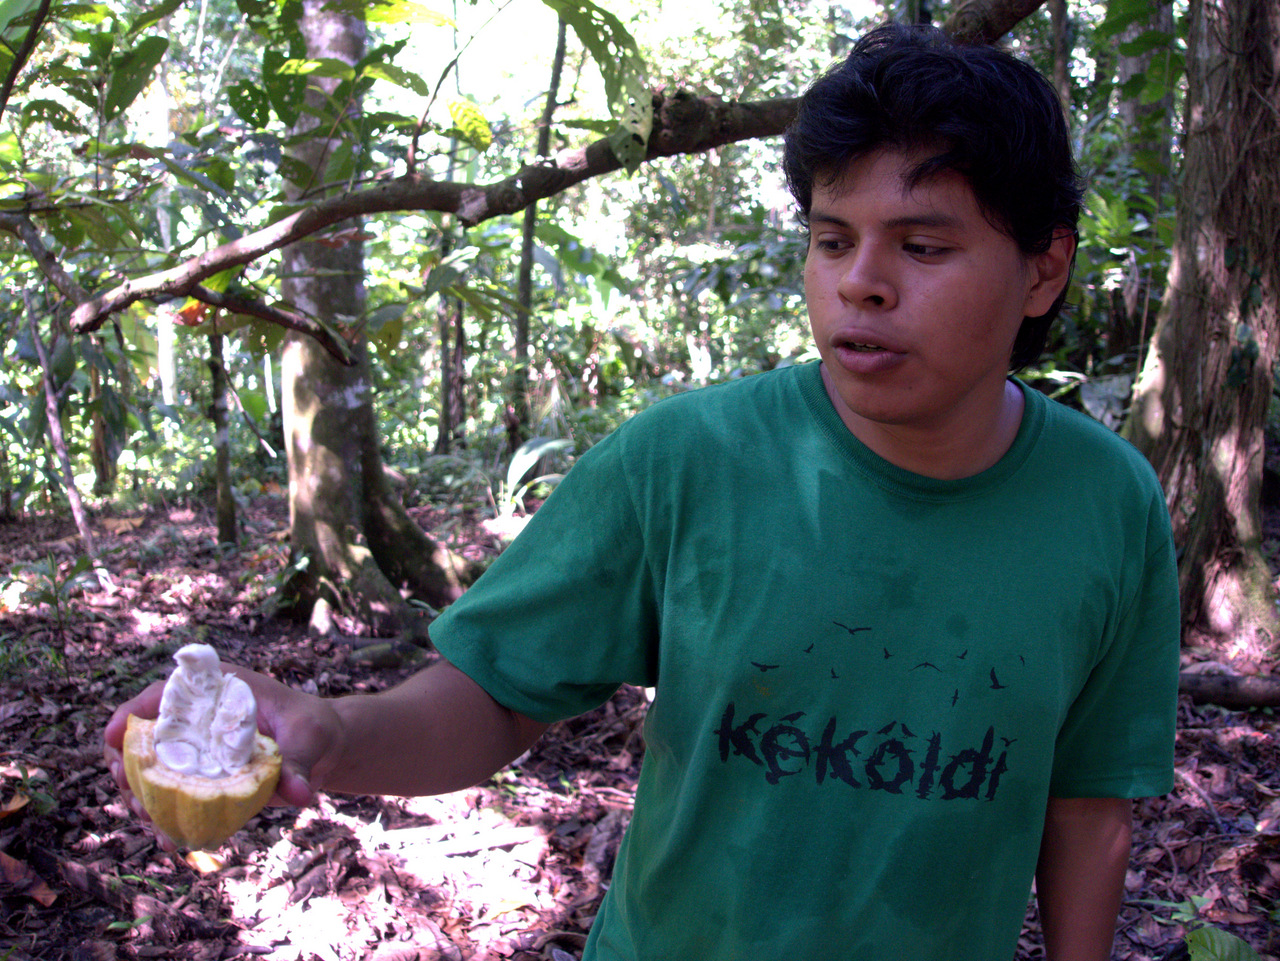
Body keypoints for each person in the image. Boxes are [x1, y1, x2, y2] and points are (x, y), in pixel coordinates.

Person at [105, 22, 1181, 961]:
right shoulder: (687, 460)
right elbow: (497, 692)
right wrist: (327, 732)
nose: (860, 280)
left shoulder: (1106, 507)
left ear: (1042, 270)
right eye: (829, 239)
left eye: (923, 244)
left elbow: (1088, 806)